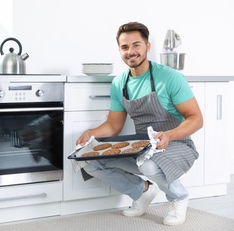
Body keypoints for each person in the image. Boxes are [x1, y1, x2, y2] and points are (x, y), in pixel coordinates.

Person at [76, 22, 203, 226]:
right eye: (125, 47)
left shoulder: (169, 78)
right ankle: (142, 191)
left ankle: (179, 197)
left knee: (149, 164)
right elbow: (113, 125)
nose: (131, 52)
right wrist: (91, 134)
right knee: (88, 159)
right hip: (142, 146)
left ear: (147, 46)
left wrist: (169, 135)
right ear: (119, 50)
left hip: (177, 144)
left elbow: (196, 119)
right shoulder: (120, 83)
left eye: (136, 45)